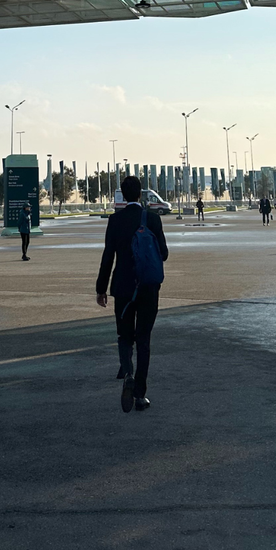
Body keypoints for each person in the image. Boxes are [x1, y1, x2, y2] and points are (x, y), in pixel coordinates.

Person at [96, 175, 169, 413]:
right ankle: (139, 395)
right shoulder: (152, 219)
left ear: (123, 196)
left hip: (123, 288)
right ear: (140, 195)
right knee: (144, 340)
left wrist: (101, 289)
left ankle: (127, 373)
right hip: (148, 287)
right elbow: (164, 253)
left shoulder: (115, 221)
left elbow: (108, 257)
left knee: (124, 335)